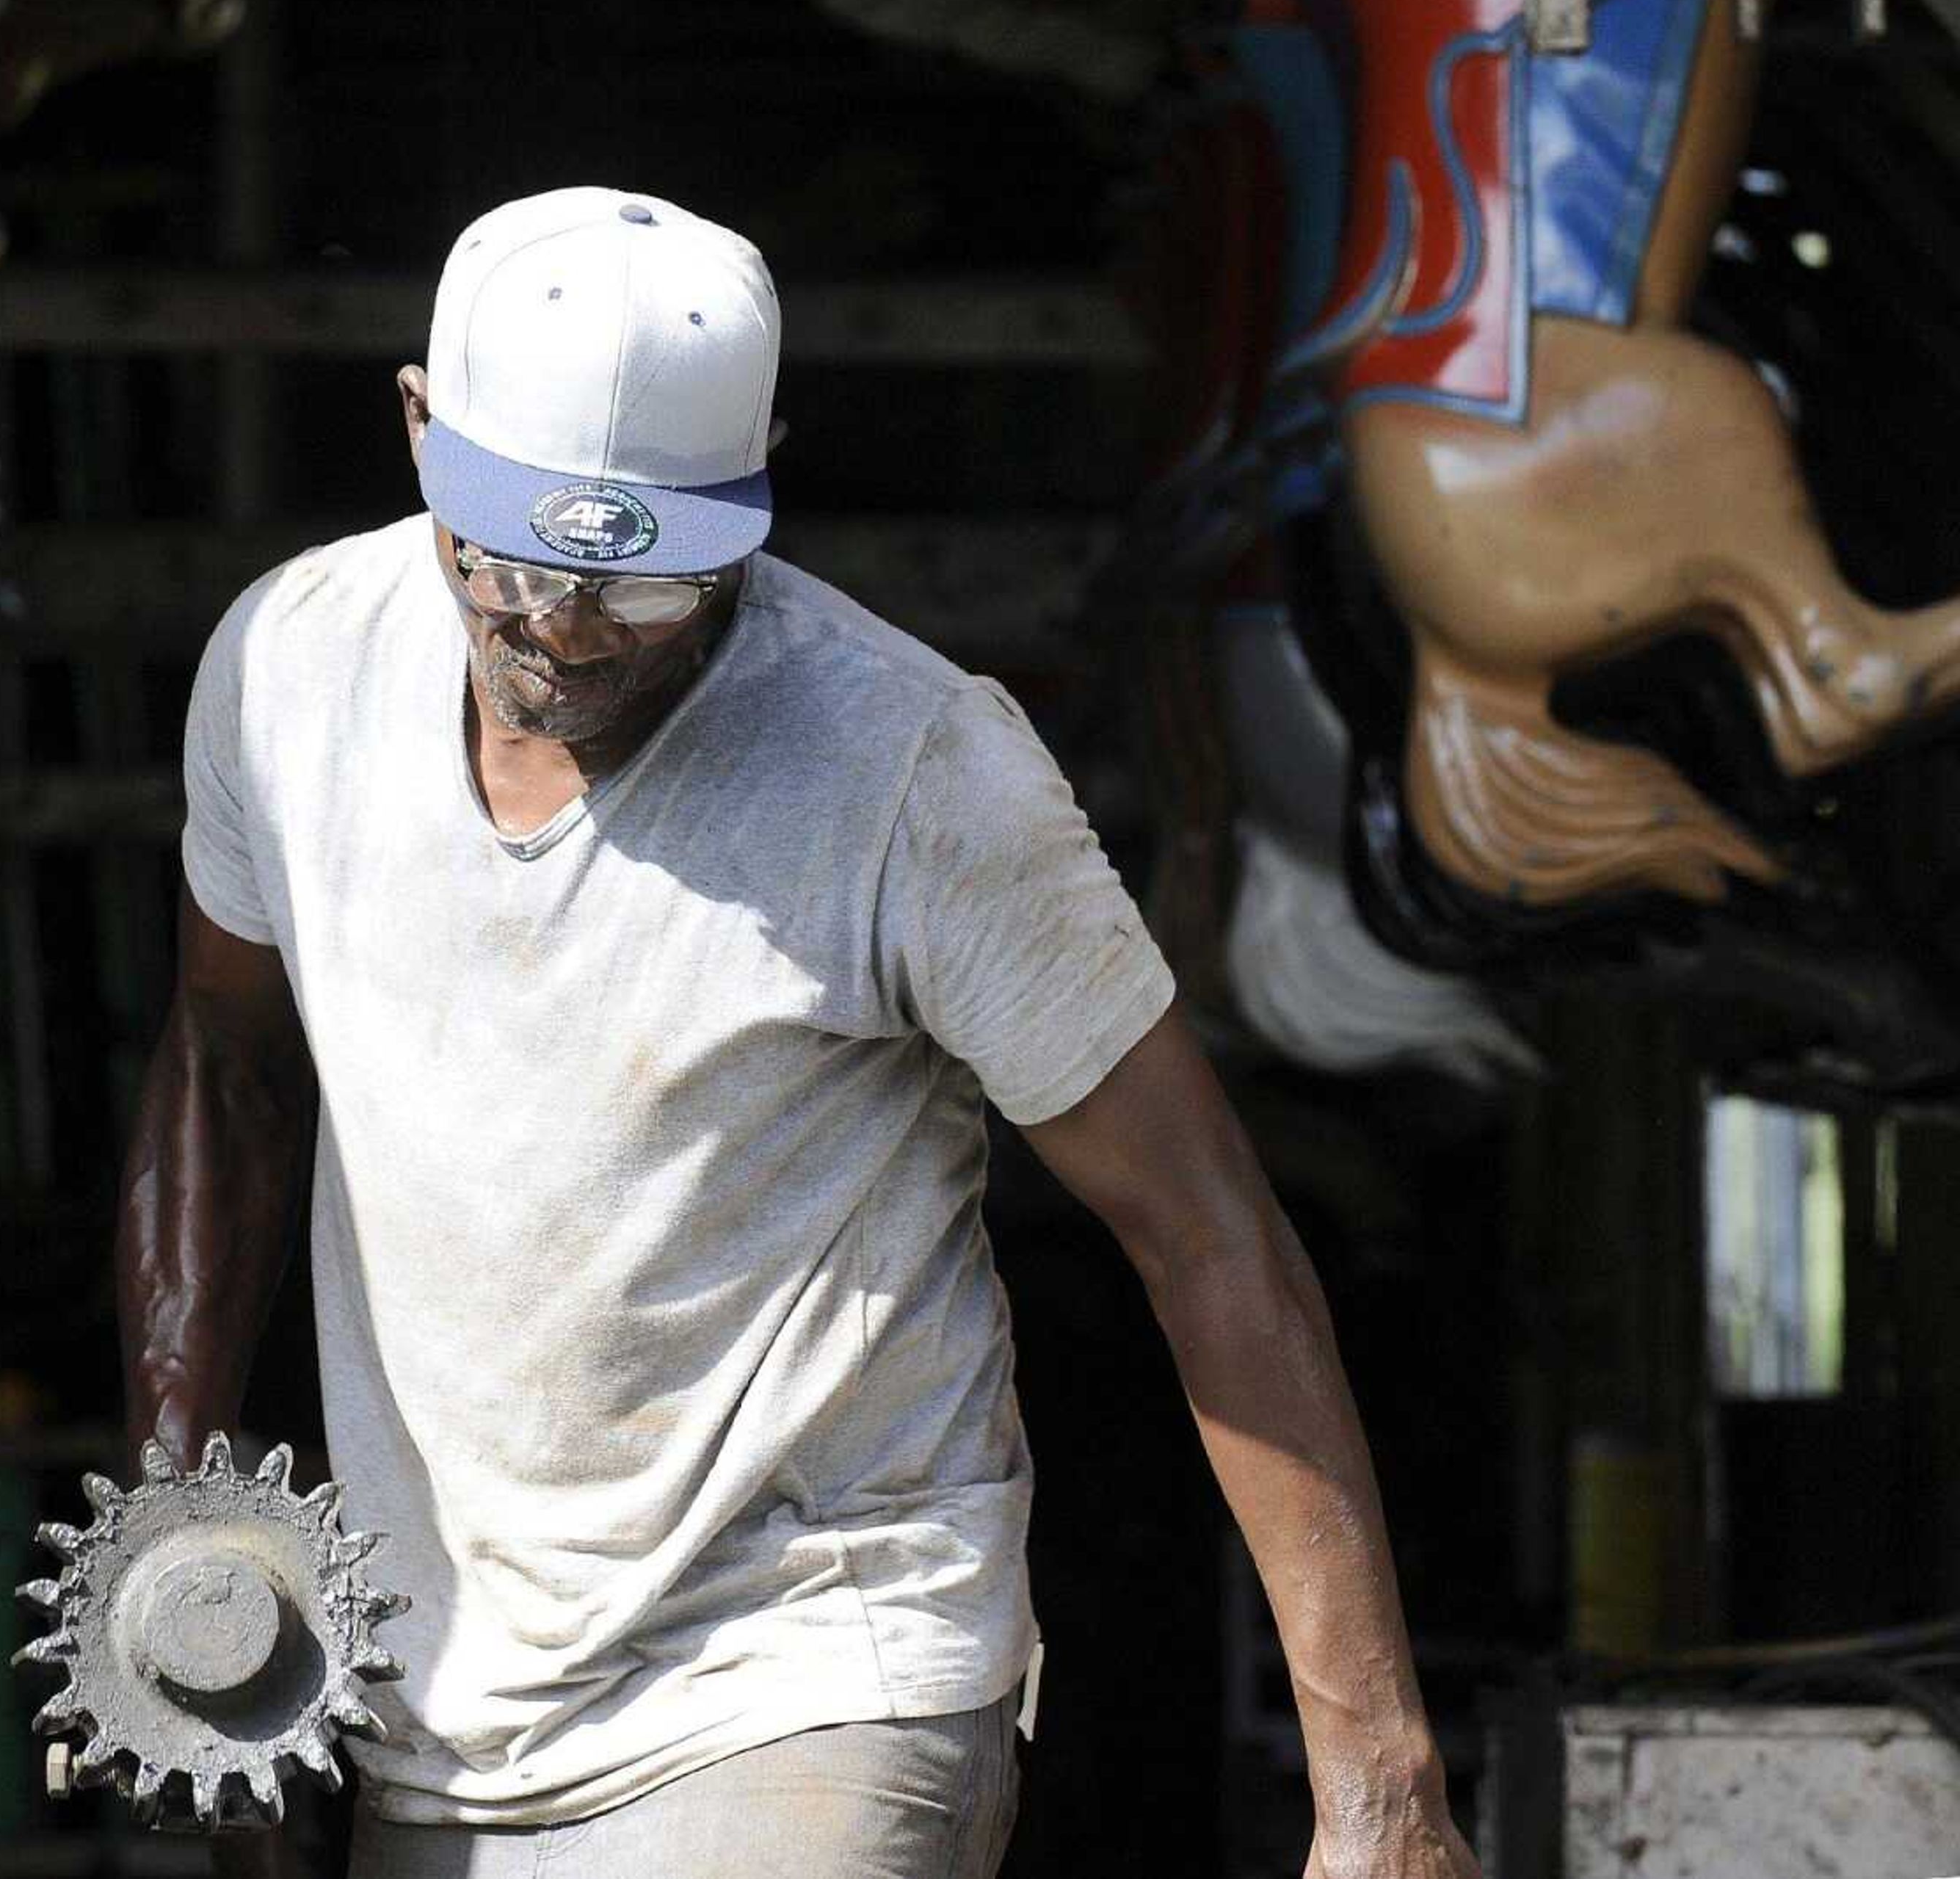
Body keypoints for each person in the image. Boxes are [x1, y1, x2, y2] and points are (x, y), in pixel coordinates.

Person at [118, 187, 1482, 1879]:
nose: (564, 633)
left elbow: (1208, 1235)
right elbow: (229, 1068)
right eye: (514, 562)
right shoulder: (289, 675)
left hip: (814, 1668)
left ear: (760, 479)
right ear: (419, 433)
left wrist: (1381, 1785)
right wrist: (176, 1506)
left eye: (644, 589)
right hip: (446, 1709)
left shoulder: (916, 771)